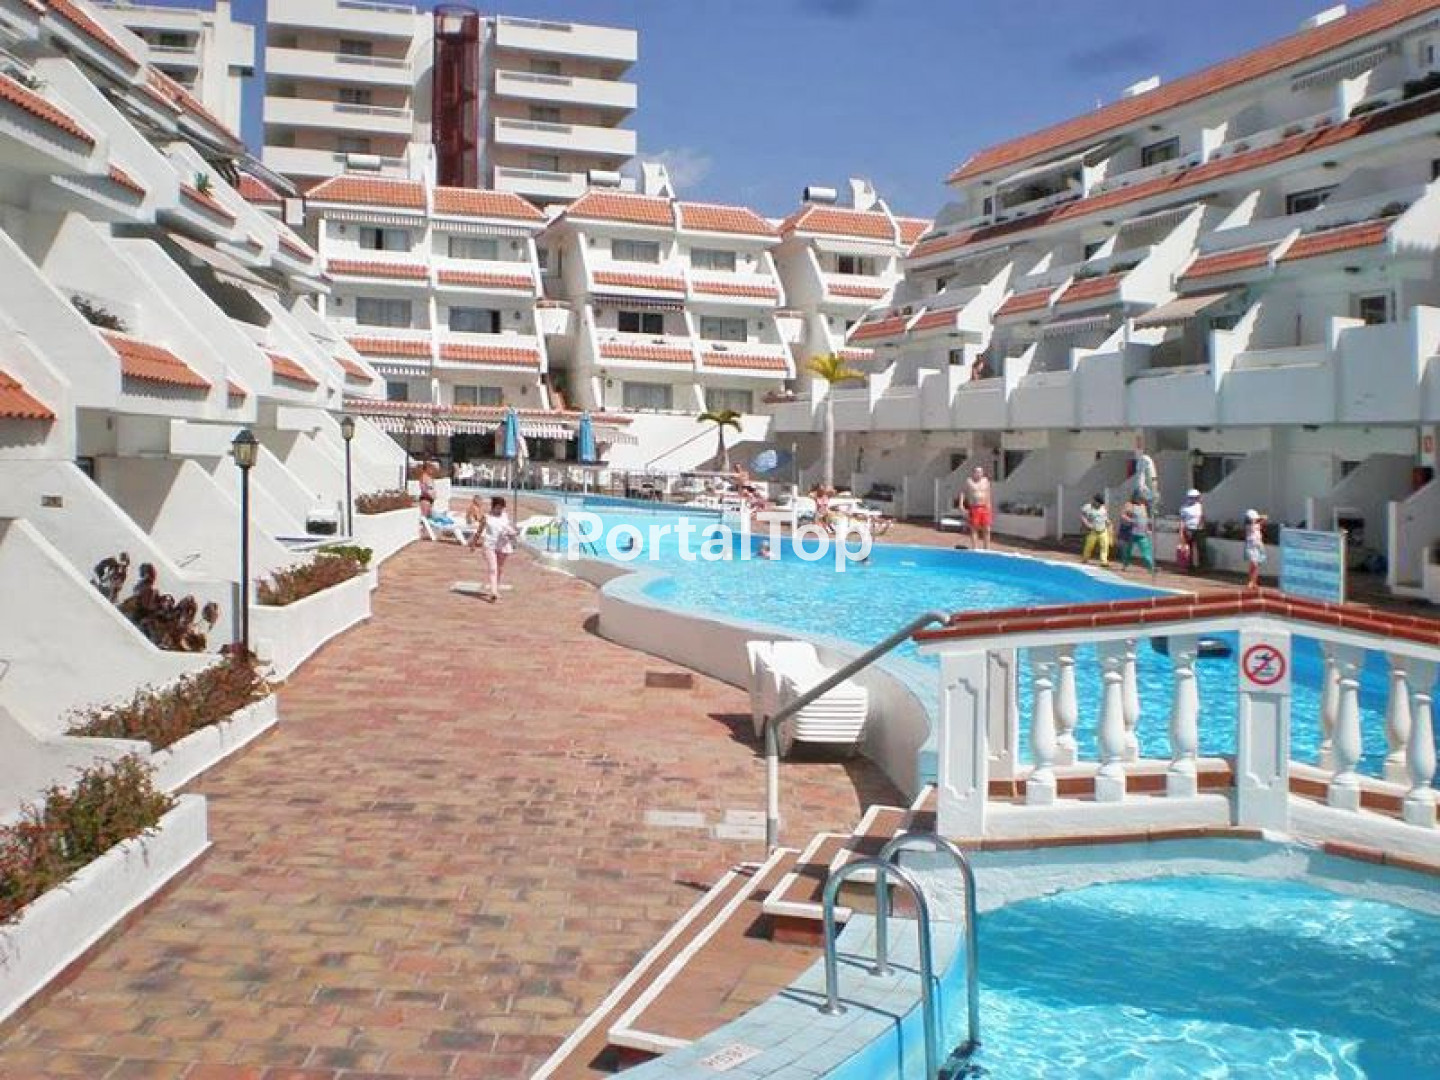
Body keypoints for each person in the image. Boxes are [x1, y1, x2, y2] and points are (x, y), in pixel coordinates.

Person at [479, 496, 519, 601]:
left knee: (499, 568)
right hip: (489, 545)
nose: (500, 510)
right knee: (493, 568)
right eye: (498, 507)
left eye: (502, 507)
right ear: (493, 507)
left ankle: (496, 588)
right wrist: (473, 543)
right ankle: (493, 592)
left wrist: (513, 534)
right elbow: (479, 530)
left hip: (503, 545)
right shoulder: (486, 517)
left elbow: (509, 528)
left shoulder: (505, 516)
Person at [1119, 494, 1156, 577]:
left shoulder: (1143, 506)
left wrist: (1147, 528)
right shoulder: (1129, 505)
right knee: (1127, 551)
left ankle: (1151, 567)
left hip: (1142, 533)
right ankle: (1125, 565)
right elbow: (1122, 515)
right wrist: (1131, 520)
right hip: (1131, 532)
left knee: (1146, 552)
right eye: (1140, 498)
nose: (1142, 500)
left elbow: (1145, 519)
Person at [960, 466, 993, 551]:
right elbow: (963, 492)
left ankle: (987, 548)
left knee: (987, 529)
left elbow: (988, 493)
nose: (978, 473)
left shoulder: (986, 481)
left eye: (980, 472)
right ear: (973, 473)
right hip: (974, 507)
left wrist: (989, 506)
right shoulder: (969, 481)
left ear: (982, 473)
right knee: (974, 528)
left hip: (985, 507)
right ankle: (975, 548)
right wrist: (961, 505)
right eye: (977, 472)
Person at [1080, 493, 1111, 566]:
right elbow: (1082, 516)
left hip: (1103, 530)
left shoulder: (1103, 508)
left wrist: (1108, 522)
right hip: (1093, 531)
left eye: (1101, 504)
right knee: (1089, 546)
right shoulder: (1088, 507)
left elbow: (1105, 517)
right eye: (1098, 503)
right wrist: (1087, 524)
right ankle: (1085, 558)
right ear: (1095, 501)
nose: (1099, 505)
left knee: (1105, 546)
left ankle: (1104, 561)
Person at [1179, 488, 1206, 572]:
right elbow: (1182, 520)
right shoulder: (1184, 508)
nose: (1193, 499)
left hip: (1199, 530)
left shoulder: (1200, 506)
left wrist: (1201, 526)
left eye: (1195, 497)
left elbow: (1202, 517)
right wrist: (1181, 532)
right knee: (1189, 549)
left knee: (1201, 548)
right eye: (1191, 497)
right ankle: (1190, 567)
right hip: (1189, 530)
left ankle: (1202, 567)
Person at [1245, 508, 1268, 589]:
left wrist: (1260, 518)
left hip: (1258, 544)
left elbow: (1265, 518)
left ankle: (1254, 582)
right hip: (1251, 545)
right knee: (1253, 563)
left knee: (1256, 565)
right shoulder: (1248, 524)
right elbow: (1256, 520)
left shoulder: (1257, 523)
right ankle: (1251, 581)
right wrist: (1259, 518)